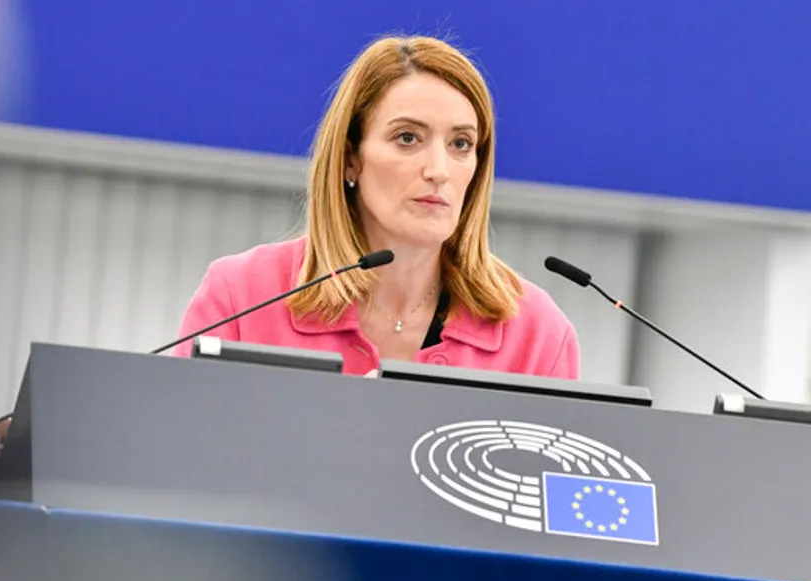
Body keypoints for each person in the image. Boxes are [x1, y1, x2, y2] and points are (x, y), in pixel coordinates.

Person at [173, 35, 580, 379]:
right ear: (351, 157)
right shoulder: (242, 297)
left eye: (461, 144)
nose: (439, 170)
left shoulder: (537, 332)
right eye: (407, 138)